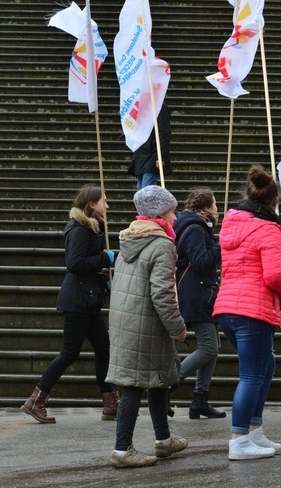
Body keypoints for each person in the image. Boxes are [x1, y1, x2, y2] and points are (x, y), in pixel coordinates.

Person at [106, 185, 188, 468]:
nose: (176, 218)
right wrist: (178, 328)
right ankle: (121, 449)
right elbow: (163, 294)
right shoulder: (162, 244)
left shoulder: (129, 239)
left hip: (128, 319)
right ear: (160, 214)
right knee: (133, 385)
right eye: (172, 212)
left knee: (157, 381)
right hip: (147, 322)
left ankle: (163, 440)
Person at [21, 184, 118, 423]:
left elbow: (86, 265)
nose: (107, 205)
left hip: (88, 299)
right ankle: (36, 399)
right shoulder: (80, 229)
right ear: (91, 204)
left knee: (104, 349)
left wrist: (101, 278)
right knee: (69, 352)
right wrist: (104, 259)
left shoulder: (91, 228)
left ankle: (110, 402)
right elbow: (74, 264)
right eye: (103, 201)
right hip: (78, 301)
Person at [213, 165, 281, 461]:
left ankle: (254, 431)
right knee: (252, 375)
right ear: (273, 202)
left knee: (265, 367)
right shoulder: (268, 228)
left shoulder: (231, 224)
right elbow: (273, 275)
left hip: (228, 307)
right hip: (253, 307)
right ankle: (239, 439)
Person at [172, 187, 226, 419]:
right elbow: (202, 262)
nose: (217, 209)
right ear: (205, 208)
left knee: (213, 348)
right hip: (196, 292)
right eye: (214, 204)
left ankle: (200, 399)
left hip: (203, 292)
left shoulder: (196, 225)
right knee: (209, 347)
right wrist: (220, 245)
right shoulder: (194, 228)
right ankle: (169, 383)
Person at [128, 104, 172, 190]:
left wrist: (161, 156)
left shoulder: (159, 107)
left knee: (146, 191)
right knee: (140, 192)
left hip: (152, 154)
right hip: (140, 155)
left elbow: (164, 133)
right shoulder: (142, 107)